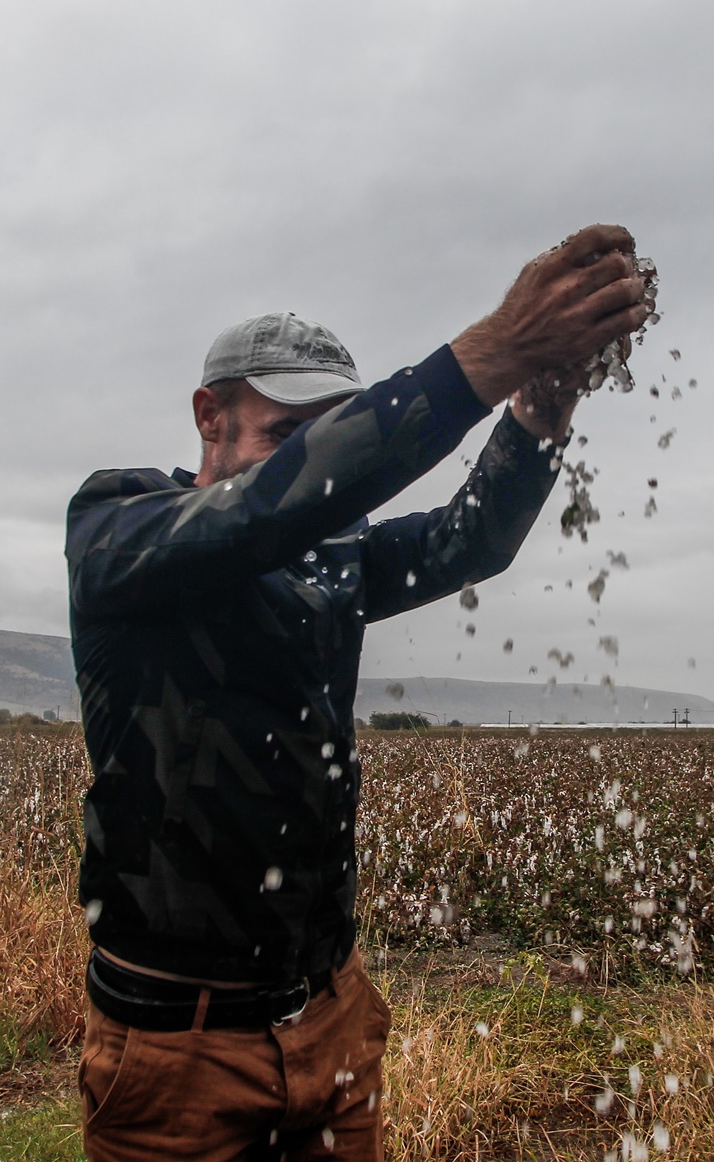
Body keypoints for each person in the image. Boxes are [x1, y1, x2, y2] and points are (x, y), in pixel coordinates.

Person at [65, 224, 649, 1161]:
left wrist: (541, 405)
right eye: (288, 435)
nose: (319, 472)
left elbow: (469, 542)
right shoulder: (120, 531)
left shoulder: (330, 558)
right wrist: (493, 351)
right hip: (179, 1047)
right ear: (208, 415)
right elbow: (268, 509)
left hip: (329, 1021)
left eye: (331, 433)